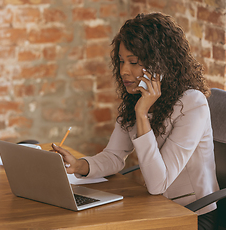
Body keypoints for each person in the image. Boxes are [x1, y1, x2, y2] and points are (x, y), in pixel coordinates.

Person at [51, 13, 219, 229]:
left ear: (160, 64)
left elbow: (158, 183)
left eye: (134, 62)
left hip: (192, 216)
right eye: (121, 61)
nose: (123, 71)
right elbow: (114, 155)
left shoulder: (192, 104)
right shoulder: (135, 98)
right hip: (155, 208)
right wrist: (79, 165)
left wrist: (142, 114)